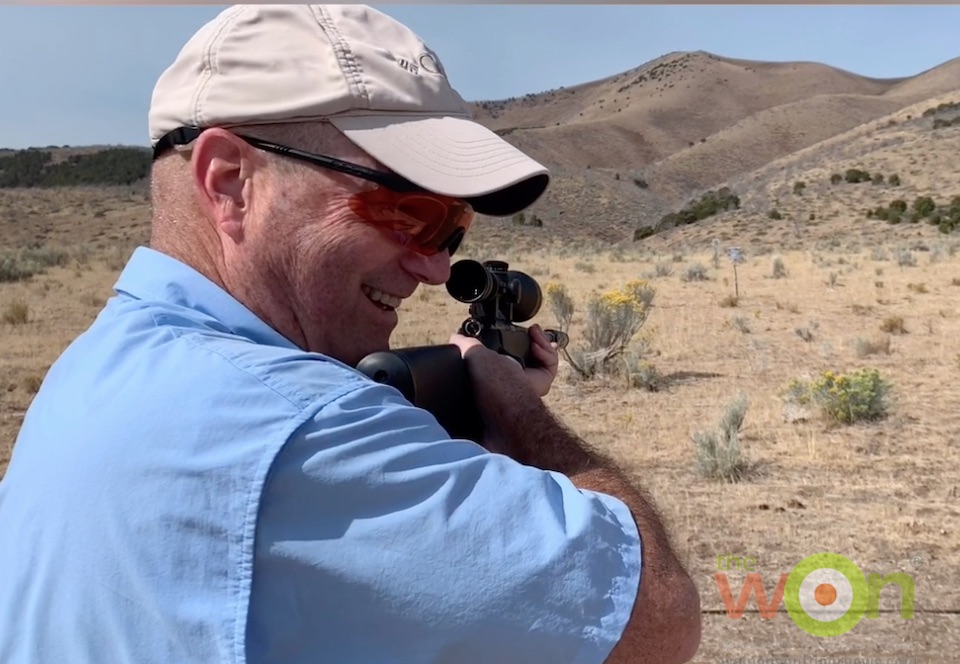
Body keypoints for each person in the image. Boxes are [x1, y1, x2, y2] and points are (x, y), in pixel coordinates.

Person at [0, 5, 701, 663]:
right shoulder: (297, 425)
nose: (434, 266)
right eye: (405, 210)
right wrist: (516, 408)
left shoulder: (96, 366)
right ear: (231, 182)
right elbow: (657, 617)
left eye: (452, 228)